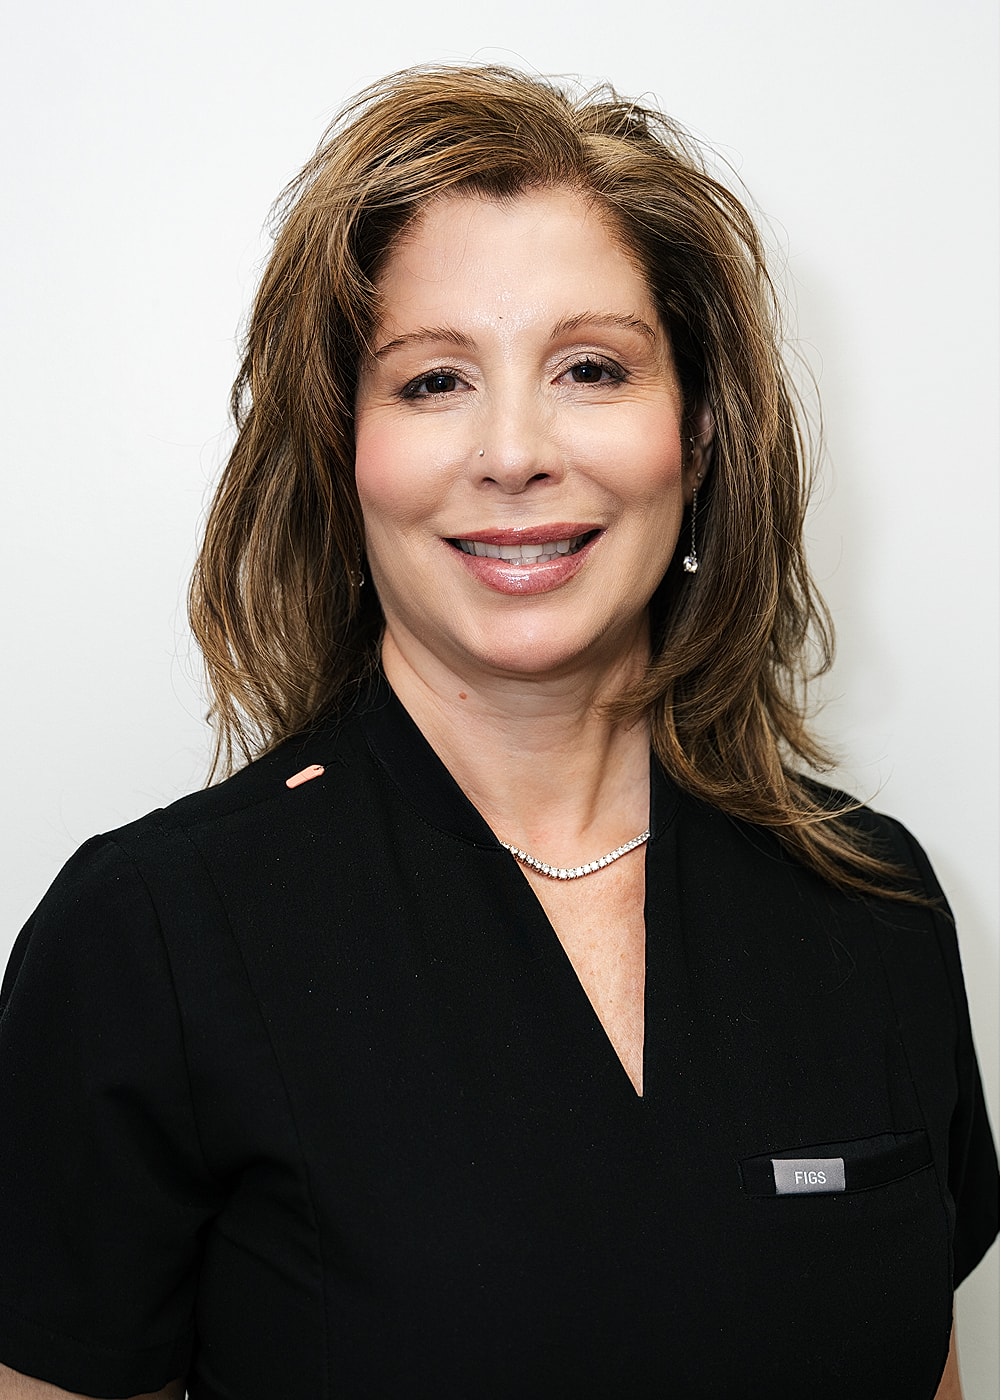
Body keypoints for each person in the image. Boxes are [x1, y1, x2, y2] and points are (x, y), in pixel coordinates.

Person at [0, 64, 996, 1400]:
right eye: (430, 383)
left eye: (591, 368)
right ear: (339, 448)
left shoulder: (868, 905)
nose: (515, 450)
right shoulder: (150, 937)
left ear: (694, 435)